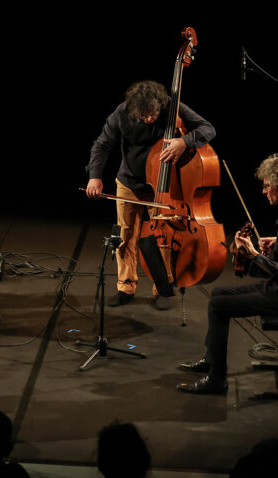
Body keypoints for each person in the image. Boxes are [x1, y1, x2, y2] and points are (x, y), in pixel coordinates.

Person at [177, 154, 278, 394]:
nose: (264, 191)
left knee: (218, 306)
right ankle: (211, 358)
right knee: (218, 292)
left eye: (267, 186)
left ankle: (217, 380)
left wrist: (254, 253)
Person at [85, 80, 216, 308]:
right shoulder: (122, 112)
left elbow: (208, 129)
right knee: (125, 237)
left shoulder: (170, 106)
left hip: (161, 188)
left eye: (152, 114)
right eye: (143, 116)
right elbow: (102, 144)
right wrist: (94, 176)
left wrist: (184, 142)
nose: (149, 119)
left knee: (162, 239)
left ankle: (162, 289)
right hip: (128, 182)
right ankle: (125, 286)